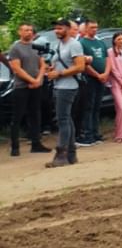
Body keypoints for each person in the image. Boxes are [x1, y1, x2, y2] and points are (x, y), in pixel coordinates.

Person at [46, 19, 86, 167]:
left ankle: (61, 155)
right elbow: (58, 63)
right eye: (56, 28)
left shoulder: (74, 44)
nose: (57, 31)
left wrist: (60, 73)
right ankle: (71, 155)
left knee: (62, 120)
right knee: (66, 119)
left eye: (60, 28)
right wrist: (51, 69)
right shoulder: (58, 45)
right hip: (59, 85)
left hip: (68, 87)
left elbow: (80, 66)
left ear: (68, 29)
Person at [7, 23, 51, 156]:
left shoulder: (36, 46)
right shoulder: (15, 48)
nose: (29, 32)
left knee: (36, 114)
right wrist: (32, 80)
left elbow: (42, 64)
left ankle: (36, 144)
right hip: (21, 87)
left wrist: (39, 80)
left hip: (36, 86)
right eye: (26, 30)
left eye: (31, 30)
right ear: (19, 32)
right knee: (18, 116)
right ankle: (15, 147)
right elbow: (16, 68)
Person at [77, 20, 110, 147]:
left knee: (97, 106)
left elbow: (107, 59)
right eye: (92, 27)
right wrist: (97, 75)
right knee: (88, 107)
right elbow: (83, 63)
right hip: (89, 79)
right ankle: (87, 134)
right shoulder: (82, 43)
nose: (94, 30)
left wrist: (106, 73)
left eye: (96, 27)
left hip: (101, 78)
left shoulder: (100, 42)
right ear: (85, 29)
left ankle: (96, 133)